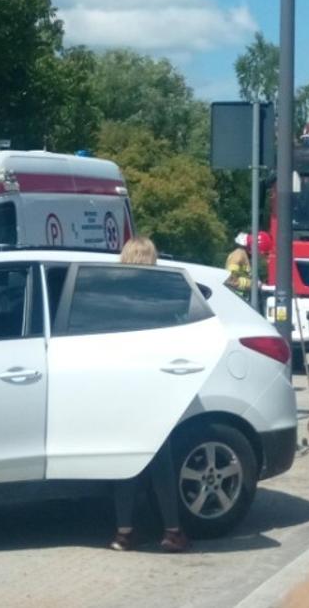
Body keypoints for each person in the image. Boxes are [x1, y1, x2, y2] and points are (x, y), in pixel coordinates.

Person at [109, 235, 189, 552]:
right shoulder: (162, 300)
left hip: (120, 389)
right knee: (161, 463)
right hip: (155, 391)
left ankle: (123, 532)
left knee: (124, 462)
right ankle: (171, 531)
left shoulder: (110, 297)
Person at [224, 233, 253, 300]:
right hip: (235, 299)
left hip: (240, 298)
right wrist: (252, 284)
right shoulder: (238, 256)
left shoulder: (243, 257)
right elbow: (230, 280)